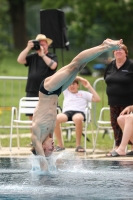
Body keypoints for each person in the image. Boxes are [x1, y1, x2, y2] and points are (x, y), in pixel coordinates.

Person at [31, 38, 123, 170]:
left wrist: (44, 167)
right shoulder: (49, 135)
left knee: (73, 65)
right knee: (79, 66)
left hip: (47, 90)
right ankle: (104, 45)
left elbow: (42, 163)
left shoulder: (37, 135)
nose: (52, 148)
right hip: (56, 92)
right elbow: (49, 160)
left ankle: (105, 46)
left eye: (49, 150)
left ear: (41, 148)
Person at [17, 34, 58, 121]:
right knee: (32, 117)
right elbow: (20, 60)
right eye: (40, 44)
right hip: (32, 90)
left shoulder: (52, 56)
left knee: (46, 117)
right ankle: (34, 135)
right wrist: (28, 48)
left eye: (43, 44)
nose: (41, 46)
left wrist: (42, 55)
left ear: (47, 45)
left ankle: (46, 135)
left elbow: (53, 66)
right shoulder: (33, 56)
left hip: (47, 91)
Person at [54, 76, 100, 152]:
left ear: (78, 85)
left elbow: (97, 99)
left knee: (77, 118)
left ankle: (78, 145)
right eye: (70, 84)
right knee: (55, 119)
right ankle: (60, 145)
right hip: (67, 113)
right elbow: (60, 79)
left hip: (79, 112)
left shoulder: (84, 94)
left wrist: (88, 86)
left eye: (74, 84)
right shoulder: (66, 92)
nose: (72, 86)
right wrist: (76, 77)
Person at [104, 44, 133, 156]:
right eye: (115, 50)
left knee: (128, 123)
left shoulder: (130, 65)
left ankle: (128, 147)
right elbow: (106, 79)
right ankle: (118, 146)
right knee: (115, 124)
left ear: (126, 52)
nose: (118, 51)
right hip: (113, 101)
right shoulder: (110, 65)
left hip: (129, 102)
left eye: (121, 49)